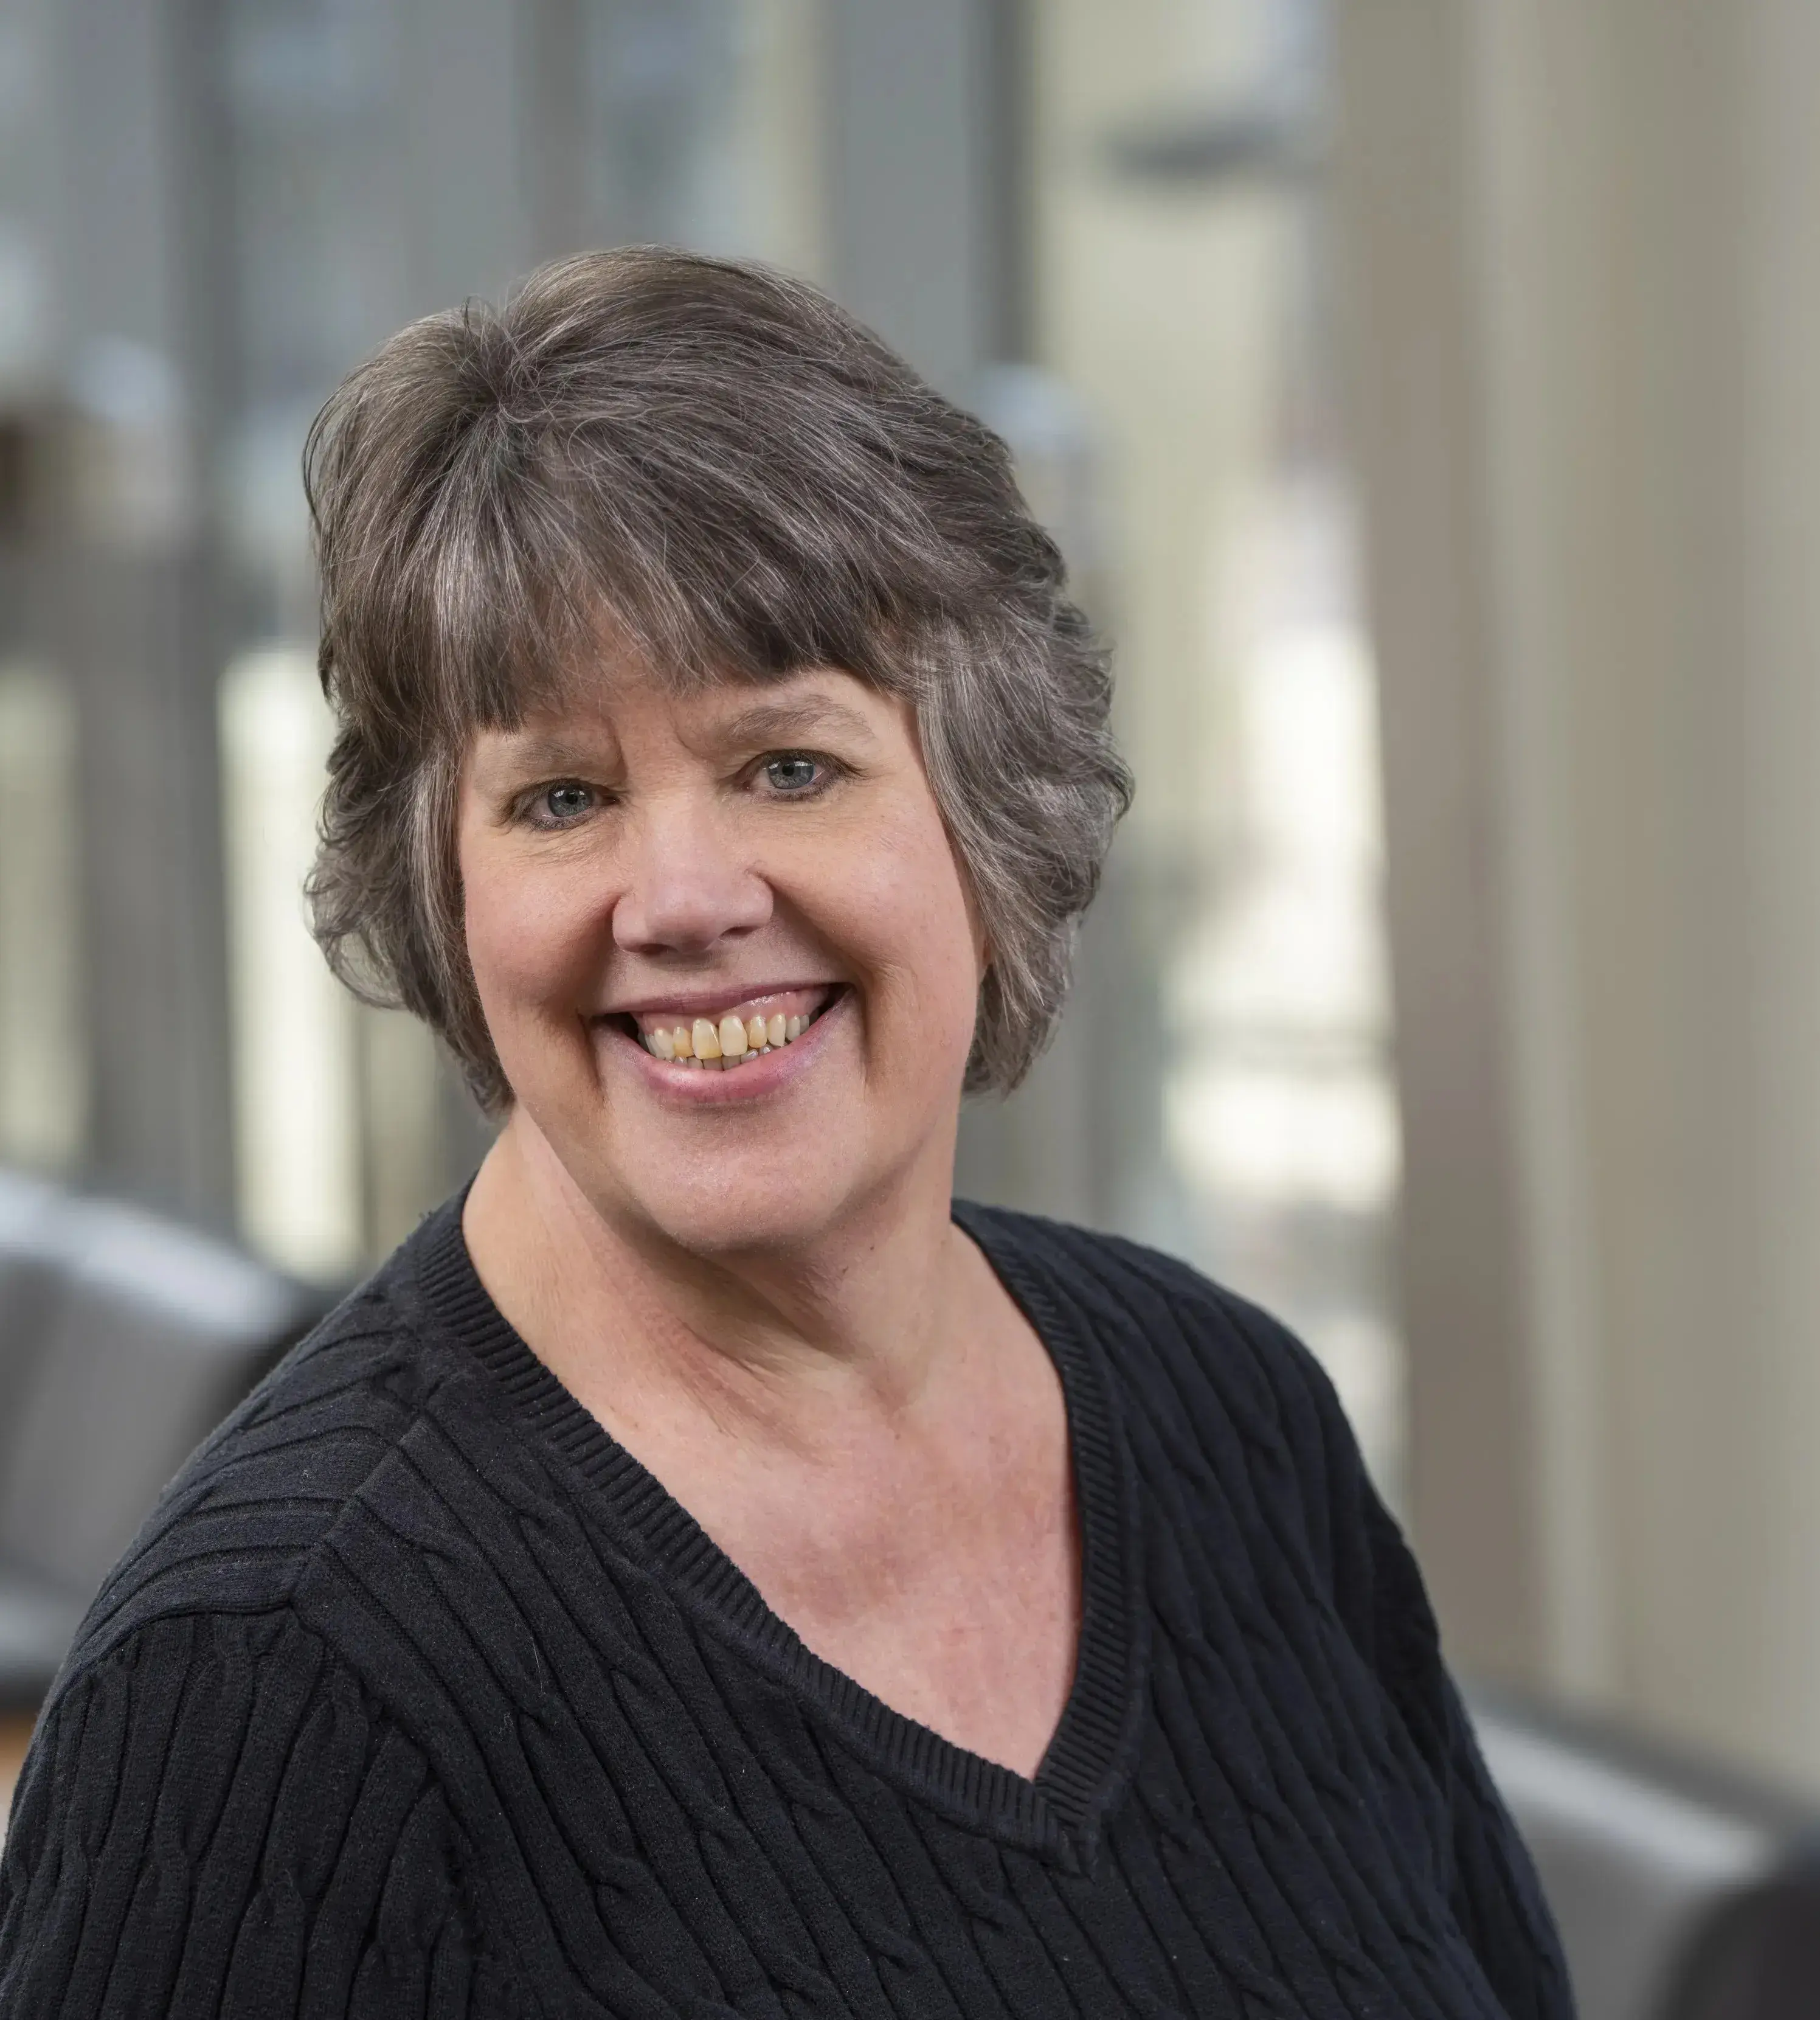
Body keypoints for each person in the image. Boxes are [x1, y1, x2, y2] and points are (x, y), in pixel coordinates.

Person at [0, 249, 1571, 2018]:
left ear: (986, 805)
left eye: (790, 767)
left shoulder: (1228, 1411)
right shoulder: (269, 1685)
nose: (683, 900)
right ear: (444, 893)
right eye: (563, 799)